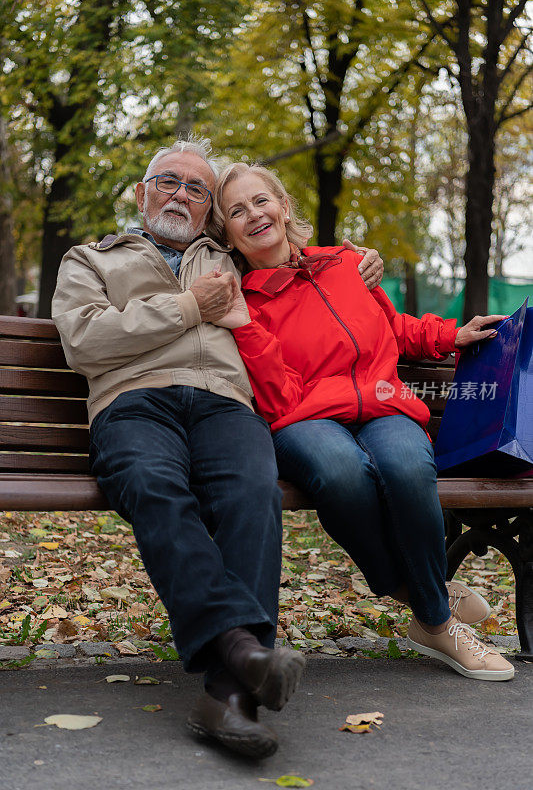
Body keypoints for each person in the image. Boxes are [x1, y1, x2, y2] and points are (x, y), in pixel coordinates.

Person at [51, 136, 385, 759]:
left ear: (210, 210)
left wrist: (359, 260)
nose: (180, 194)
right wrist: (186, 307)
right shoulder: (90, 259)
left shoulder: (230, 259)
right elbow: (83, 342)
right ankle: (241, 657)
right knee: (154, 487)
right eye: (167, 181)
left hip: (224, 405)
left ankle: (227, 695)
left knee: (252, 491)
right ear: (141, 193)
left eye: (197, 188)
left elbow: (302, 262)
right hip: (133, 400)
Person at [211, 161, 515, 682]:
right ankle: (436, 615)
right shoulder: (243, 300)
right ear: (228, 233)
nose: (254, 215)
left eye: (261, 201)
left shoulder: (346, 264)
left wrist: (451, 336)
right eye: (236, 211)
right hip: (304, 418)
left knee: (405, 464)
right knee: (342, 471)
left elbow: (391, 327)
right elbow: (277, 393)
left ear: (284, 206)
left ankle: (425, 603)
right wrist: (244, 324)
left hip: (381, 401)